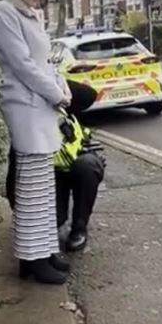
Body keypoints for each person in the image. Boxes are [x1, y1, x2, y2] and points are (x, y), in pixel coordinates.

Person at [0, 0, 73, 285]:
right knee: (31, 189)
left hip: (40, 104)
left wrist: (61, 86)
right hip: (24, 105)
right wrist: (55, 93)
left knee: (43, 185)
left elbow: (45, 59)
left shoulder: (29, 13)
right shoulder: (4, 13)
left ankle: (45, 250)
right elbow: (22, 64)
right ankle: (31, 258)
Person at [53, 80, 105, 251]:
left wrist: (56, 84)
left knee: (88, 165)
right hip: (49, 174)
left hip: (77, 165)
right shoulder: (26, 113)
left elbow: (89, 95)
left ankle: (79, 227)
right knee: (56, 221)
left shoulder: (65, 108)